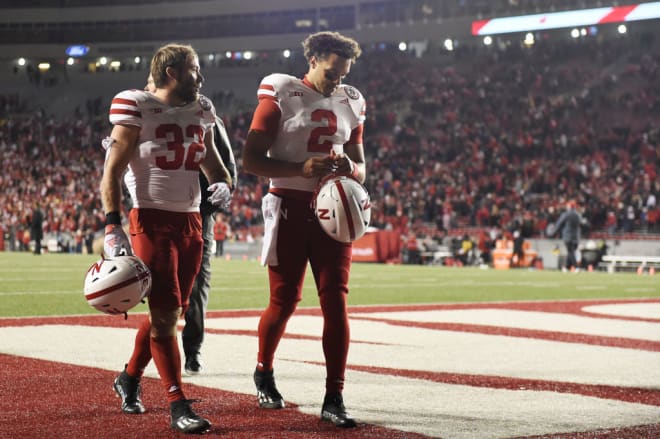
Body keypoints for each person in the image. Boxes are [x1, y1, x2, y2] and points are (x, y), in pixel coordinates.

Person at [101, 43, 232, 434]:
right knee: (163, 315)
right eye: (194, 69)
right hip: (151, 219)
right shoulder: (134, 104)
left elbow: (212, 161)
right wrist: (112, 224)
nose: (201, 77)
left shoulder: (202, 109)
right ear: (173, 72)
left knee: (170, 312)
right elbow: (112, 170)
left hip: (191, 222)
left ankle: (128, 377)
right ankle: (178, 403)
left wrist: (222, 183)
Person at [242, 31, 365, 429]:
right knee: (285, 300)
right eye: (331, 72)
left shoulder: (352, 100)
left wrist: (350, 169)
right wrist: (300, 169)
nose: (337, 82)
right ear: (311, 59)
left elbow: (362, 166)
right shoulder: (282, 91)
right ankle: (264, 369)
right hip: (290, 207)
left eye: (343, 74)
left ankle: (335, 395)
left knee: (336, 301)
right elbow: (251, 160)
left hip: (333, 211)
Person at [146, 73, 238, 376]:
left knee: (194, 285)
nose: (150, 88)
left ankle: (191, 349)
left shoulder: (203, 115)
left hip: (196, 214)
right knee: (159, 286)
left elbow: (225, 167)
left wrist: (212, 201)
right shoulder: (147, 115)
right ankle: (145, 361)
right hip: (158, 214)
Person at [553, 200, 582, 272]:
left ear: (569, 206)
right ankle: (566, 267)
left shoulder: (566, 214)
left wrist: (552, 233)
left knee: (570, 251)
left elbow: (559, 224)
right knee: (571, 252)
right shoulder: (578, 215)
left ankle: (576, 267)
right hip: (576, 237)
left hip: (568, 236)